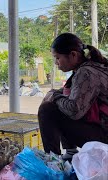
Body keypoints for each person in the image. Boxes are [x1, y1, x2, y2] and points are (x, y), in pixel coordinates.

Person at [38, 33, 108, 161]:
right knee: (60, 101)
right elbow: (74, 92)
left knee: (47, 109)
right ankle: (70, 152)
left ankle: (53, 161)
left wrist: (54, 96)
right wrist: (56, 94)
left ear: (73, 55)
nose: (56, 63)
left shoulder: (86, 72)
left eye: (58, 58)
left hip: (104, 136)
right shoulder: (92, 67)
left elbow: (74, 111)